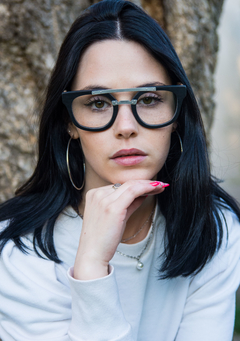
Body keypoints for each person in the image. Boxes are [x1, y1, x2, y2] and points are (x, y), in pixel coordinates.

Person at [0, 0, 240, 340]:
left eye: (148, 99)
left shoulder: (214, 228)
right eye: (98, 103)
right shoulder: (19, 253)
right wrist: (91, 271)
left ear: (176, 114)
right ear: (69, 122)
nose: (126, 126)